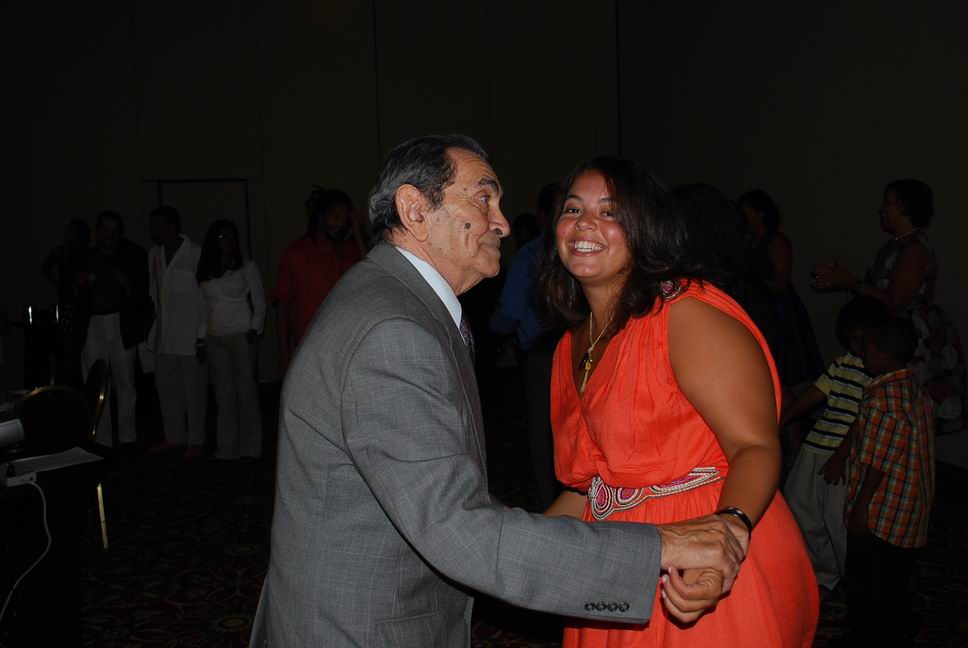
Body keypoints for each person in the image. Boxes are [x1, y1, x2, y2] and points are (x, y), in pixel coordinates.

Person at [250, 135, 749, 648]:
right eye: (483, 199)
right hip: (358, 627)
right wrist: (661, 547)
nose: (503, 224)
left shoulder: (394, 301)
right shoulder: (392, 330)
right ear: (415, 210)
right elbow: (459, 533)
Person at [542, 157, 818, 647]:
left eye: (610, 212)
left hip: (706, 556)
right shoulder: (570, 345)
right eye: (573, 209)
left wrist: (724, 538)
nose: (585, 223)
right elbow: (597, 488)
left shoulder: (685, 315)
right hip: (620, 561)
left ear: (646, 229)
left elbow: (754, 446)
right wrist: (504, 547)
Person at [812, 179, 965, 433]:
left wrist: (850, 282)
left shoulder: (914, 249)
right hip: (895, 331)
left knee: (910, 408)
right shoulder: (898, 243)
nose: (881, 209)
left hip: (913, 337)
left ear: (904, 206)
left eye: (887, 202)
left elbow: (896, 301)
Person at [837, 316, 935, 648]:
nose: (860, 354)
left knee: (867, 583)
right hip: (908, 510)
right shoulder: (912, 387)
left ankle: (870, 636)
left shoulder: (884, 401)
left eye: (865, 348)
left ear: (883, 355)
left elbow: (877, 462)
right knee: (894, 580)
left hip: (882, 515)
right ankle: (900, 623)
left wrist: (861, 508)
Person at [781, 296, 890, 591]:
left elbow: (864, 420)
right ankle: (823, 572)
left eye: (859, 341)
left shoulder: (879, 372)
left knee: (838, 519)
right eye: (850, 341)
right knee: (798, 506)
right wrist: (784, 419)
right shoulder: (845, 362)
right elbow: (817, 392)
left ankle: (852, 579)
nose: (853, 347)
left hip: (845, 454)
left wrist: (841, 456)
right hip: (818, 443)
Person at [489, 183, 563, 508]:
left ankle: (555, 511)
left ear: (542, 215)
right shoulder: (587, 249)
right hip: (588, 346)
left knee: (546, 438)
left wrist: (492, 331)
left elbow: (510, 310)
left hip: (544, 353)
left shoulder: (531, 254)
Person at [271, 187, 365, 374]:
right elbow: (283, 307)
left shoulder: (349, 250)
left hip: (346, 345)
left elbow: (372, 277)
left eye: (345, 218)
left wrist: (358, 232)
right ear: (321, 216)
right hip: (308, 347)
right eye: (335, 217)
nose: (340, 223)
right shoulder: (295, 254)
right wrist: (283, 352)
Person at [74, 212, 149, 446]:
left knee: (125, 380)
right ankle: (102, 438)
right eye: (105, 230)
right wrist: (79, 283)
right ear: (97, 231)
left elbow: (143, 292)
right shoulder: (84, 256)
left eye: (114, 230)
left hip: (121, 322)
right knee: (97, 382)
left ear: (120, 233)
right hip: (93, 324)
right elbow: (68, 291)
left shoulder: (131, 256)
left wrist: (127, 285)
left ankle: (127, 436)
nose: (109, 235)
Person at [197, 220, 266, 461]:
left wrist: (254, 329)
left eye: (231, 236)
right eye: (222, 237)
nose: (227, 241)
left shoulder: (246, 267)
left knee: (246, 391)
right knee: (223, 393)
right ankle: (227, 447)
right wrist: (201, 338)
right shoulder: (205, 269)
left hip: (241, 335)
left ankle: (252, 446)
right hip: (215, 337)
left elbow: (259, 301)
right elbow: (202, 308)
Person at [146, 205, 208, 459]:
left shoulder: (196, 254)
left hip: (191, 337)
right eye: (153, 226)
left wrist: (202, 336)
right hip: (164, 337)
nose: (154, 231)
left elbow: (204, 299)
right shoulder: (154, 255)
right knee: (167, 389)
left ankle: (197, 440)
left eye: (159, 226)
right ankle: (175, 436)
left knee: (195, 391)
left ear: (173, 227)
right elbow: (154, 296)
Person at [42, 219, 91, 386]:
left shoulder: (86, 253)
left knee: (82, 346)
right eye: (68, 230)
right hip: (67, 303)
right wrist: (58, 285)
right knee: (67, 348)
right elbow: (45, 267)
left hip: (82, 305)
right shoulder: (60, 251)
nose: (68, 233)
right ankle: (67, 385)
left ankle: (82, 383)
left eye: (72, 230)